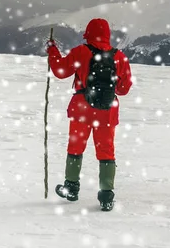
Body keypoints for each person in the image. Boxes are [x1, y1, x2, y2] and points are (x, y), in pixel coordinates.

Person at [46, 18, 133, 211]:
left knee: (76, 147)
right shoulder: (119, 57)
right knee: (106, 151)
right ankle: (106, 195)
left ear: (89, 33)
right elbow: (124, 89)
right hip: (107, 111)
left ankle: (71, 187)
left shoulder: (81, 51)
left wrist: (52, 50)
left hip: (82, 109)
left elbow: (60, 70)